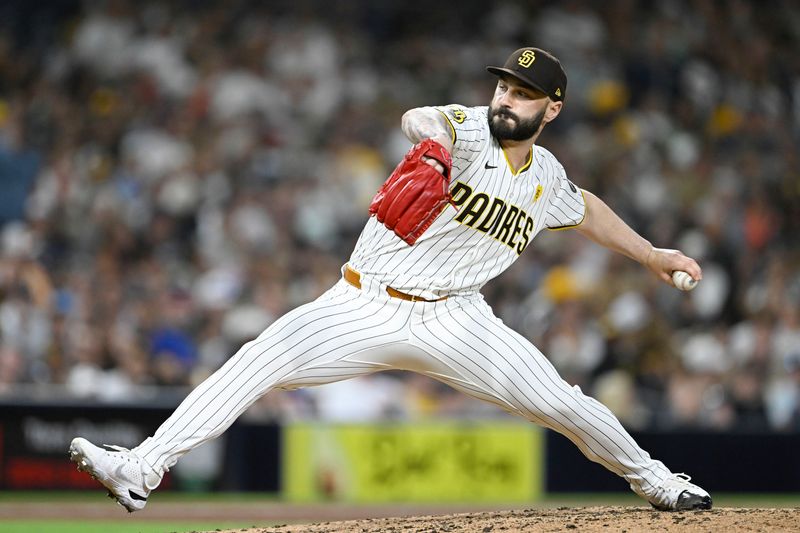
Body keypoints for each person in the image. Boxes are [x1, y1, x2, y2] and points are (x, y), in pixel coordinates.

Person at [69, 47, 712, 513]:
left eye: (522, 94)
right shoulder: (463, 131)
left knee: (564, 403)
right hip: (365, 301)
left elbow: (587, 208)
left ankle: (658, 482)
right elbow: (420, 118)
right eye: (503, 88)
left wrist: (653, 254)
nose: (505, 100)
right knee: (258, 358)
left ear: (553, 108)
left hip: (457, 318)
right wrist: (431, 146)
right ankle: (140, 468)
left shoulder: (545, 177)